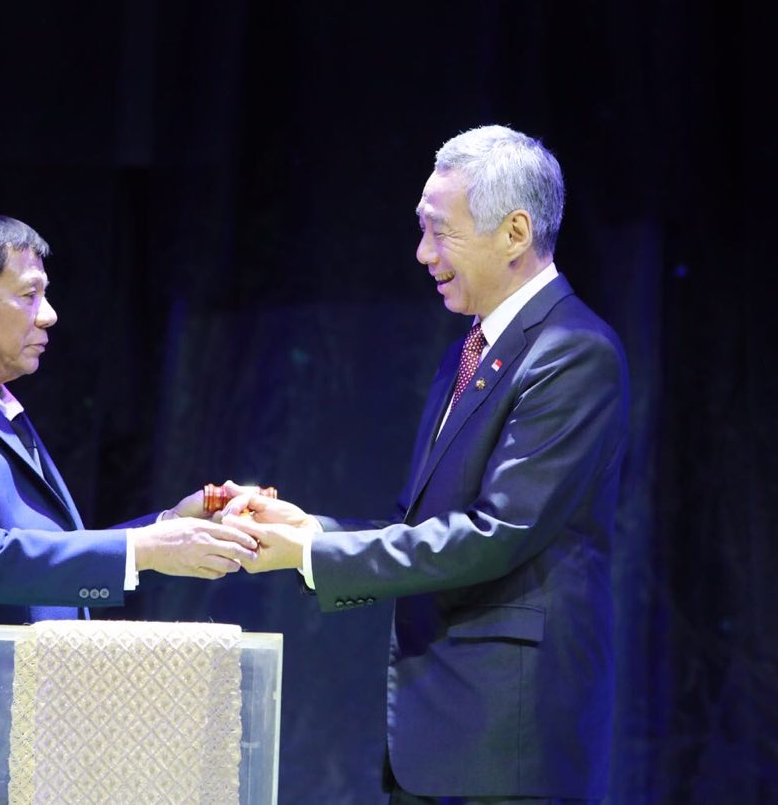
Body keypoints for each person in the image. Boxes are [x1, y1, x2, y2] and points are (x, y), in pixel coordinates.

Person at [224, 126, 630, 803]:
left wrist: (311, 556)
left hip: (508, 743)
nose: (422, 253)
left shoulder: (572, 352)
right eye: (422, 230)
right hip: (440, 732)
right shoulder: (469, 349)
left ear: (514, 232)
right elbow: (425, 526)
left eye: (440, 232)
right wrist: (311, 531)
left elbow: (496, 534)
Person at [0, 210, 259, 805]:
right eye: (29, 295)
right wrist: (147, 549)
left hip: (35, 753)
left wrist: (170, 527)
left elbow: (50, 559)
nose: (49, 315)